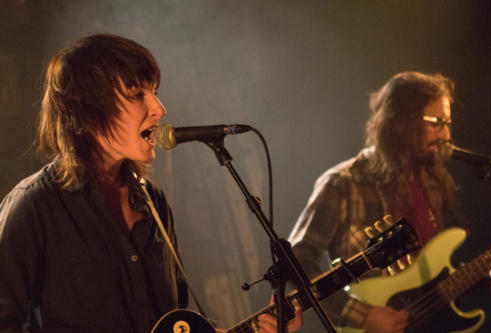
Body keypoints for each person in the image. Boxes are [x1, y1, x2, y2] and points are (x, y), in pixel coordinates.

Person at [0, 34, 301, 333]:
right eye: (137, 94)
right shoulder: (33, 206)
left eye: (154, 92)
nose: (159, 108)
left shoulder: (152, 201)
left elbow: (175, 322)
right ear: (88, 108)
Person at [288, 71, 491, 332]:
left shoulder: (431, 180)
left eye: (448, 123)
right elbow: (296, 262)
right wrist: (359, 314)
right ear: (402, 122)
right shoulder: (343, 182)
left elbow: (434, 282)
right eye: (437, 122)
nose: (446, 135)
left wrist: (489, 277)